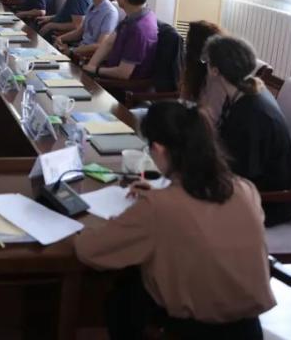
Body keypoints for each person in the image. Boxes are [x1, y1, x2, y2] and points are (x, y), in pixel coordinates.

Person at [75, 101, 274, 339]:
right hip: (249, 330)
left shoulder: (158, 208)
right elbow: (207, 222)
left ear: (158, 149)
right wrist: (158, 197)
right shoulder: (245, 189)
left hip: (192, 332)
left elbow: (89, 250)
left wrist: (80, 228)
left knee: (123, 293)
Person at [203, 35, 291, 226]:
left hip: (266, 203)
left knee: (180, 206)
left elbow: (242, 174)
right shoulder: (246, 91)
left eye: (207, 62)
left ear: (215, 70)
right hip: (249, 187)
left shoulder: (252, 114)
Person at [83, 0, 157, 80]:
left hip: (119, 85)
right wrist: (90, 66)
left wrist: (95, 70)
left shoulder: (139, 29)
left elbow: (123, 73)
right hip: (107, 70)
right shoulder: (134, 15)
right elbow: (108, 43)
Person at [54, 0, 120, 60]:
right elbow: (80, 32)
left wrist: (72, 51)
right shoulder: (92, 6)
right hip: (79, 50)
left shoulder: (110, 13)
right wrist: (61, 38)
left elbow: (100, 45)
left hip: (87, 57)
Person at [180, 21, 226, 126]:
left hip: (205, 127)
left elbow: (212, 118)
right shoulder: (196, 70)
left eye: (188, 44)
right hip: (194, 120)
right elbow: (185, 100)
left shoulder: (217, 77)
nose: (185, 48)